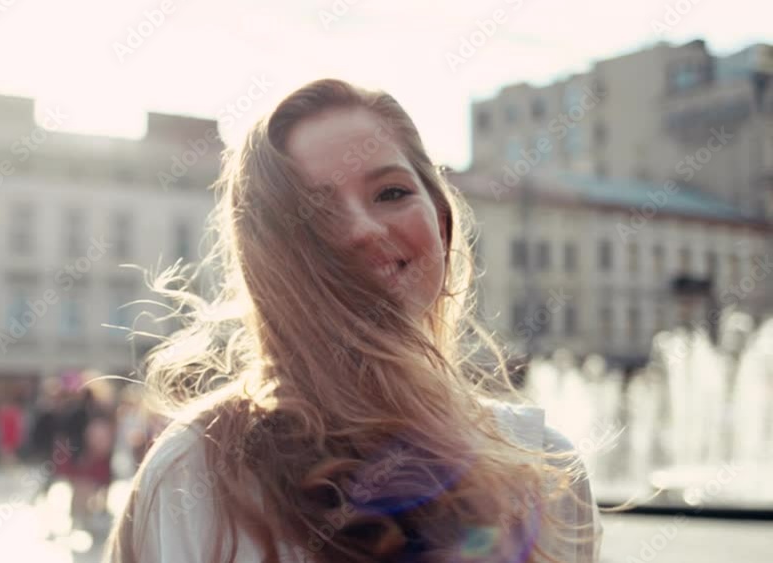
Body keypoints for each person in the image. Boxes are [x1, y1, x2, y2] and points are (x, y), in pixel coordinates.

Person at [105, 79, 603, 562]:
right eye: (315, 212)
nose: (363, 229)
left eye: (390, 192)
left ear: (442, 220)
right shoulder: (198, 471)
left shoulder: (544, 467)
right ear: (268, 262)